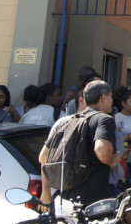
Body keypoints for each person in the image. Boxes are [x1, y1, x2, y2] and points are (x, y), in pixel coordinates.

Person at [38, 80, 123, 210]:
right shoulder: (104, 119)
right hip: (93, 199)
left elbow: (43, 157)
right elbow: (101, 150)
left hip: (65, 198)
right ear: (103, 98)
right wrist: (113, 160)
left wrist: (45, 191)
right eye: (110, 96)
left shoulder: (66, 121)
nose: (112, 100)